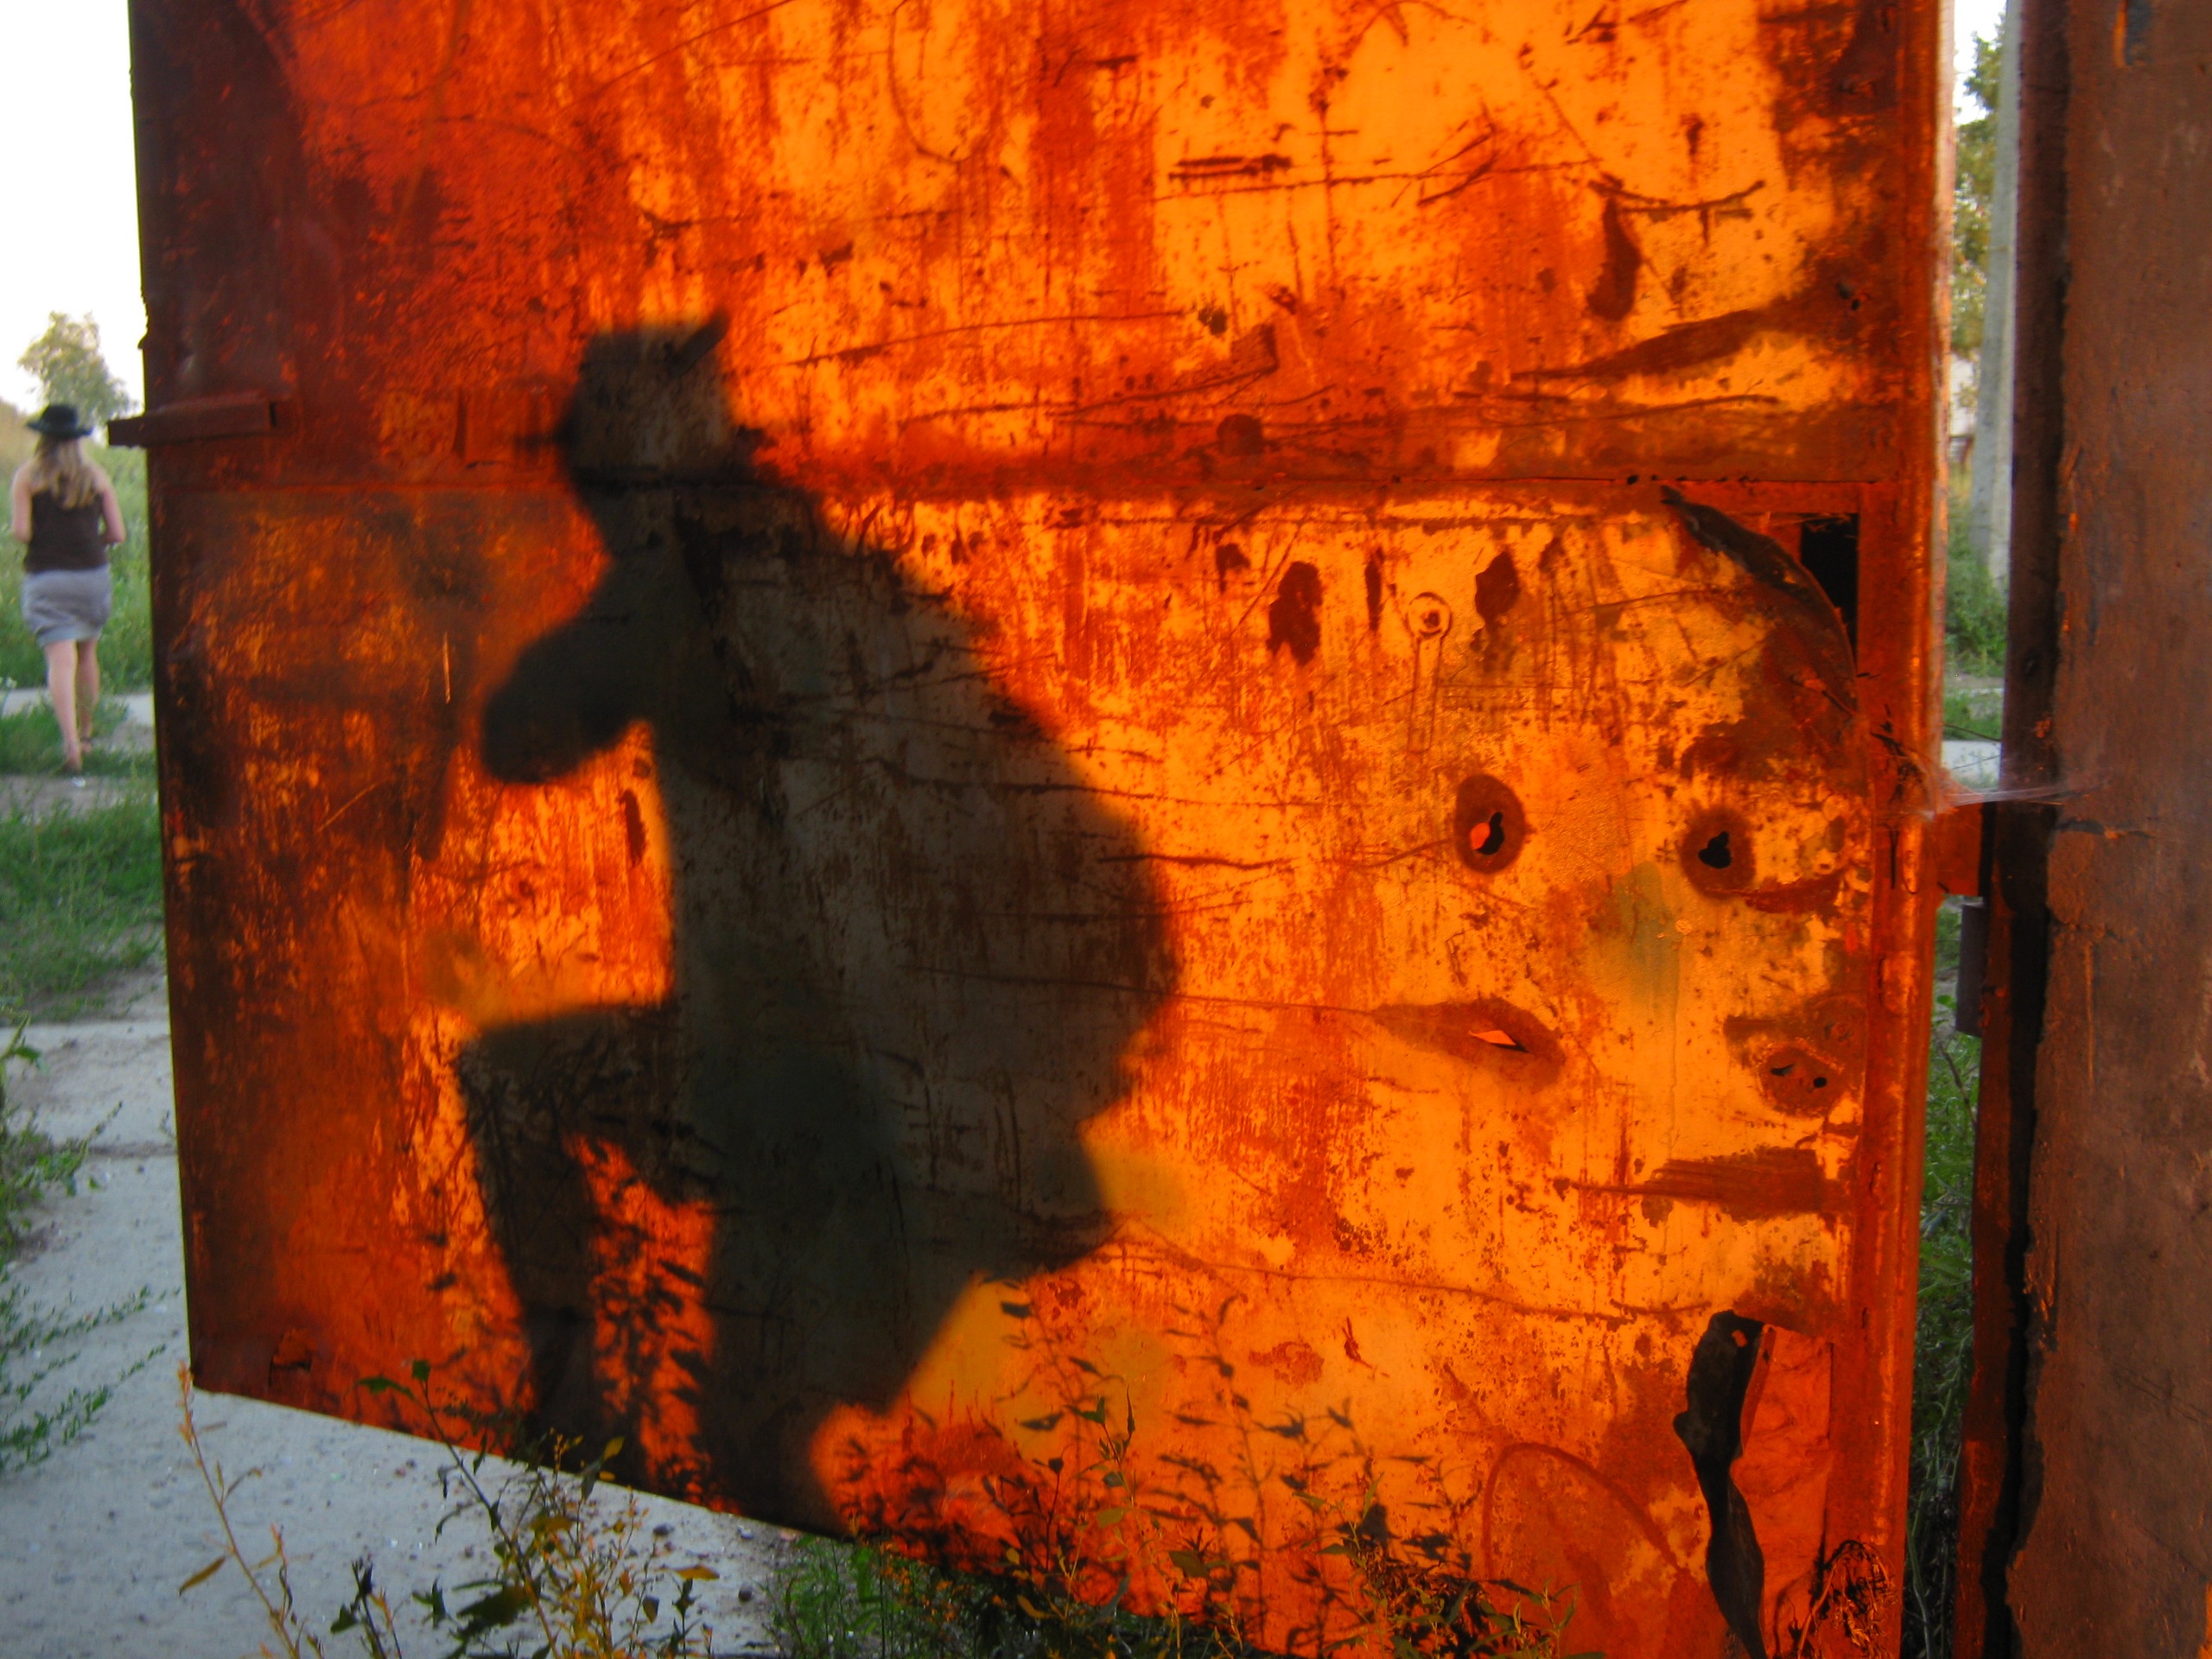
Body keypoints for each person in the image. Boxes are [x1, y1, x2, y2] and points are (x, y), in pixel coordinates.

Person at [9, 404, 124, 781]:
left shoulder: (28, 476)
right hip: (91, 577)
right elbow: (118, 533)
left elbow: (22, 532)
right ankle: (87, 736)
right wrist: (90, 542)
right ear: (77, 440)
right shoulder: (95, 475)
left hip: (48, 578)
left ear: (43, 438)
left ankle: (70, 745)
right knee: (87, 654)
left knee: (61, 661)